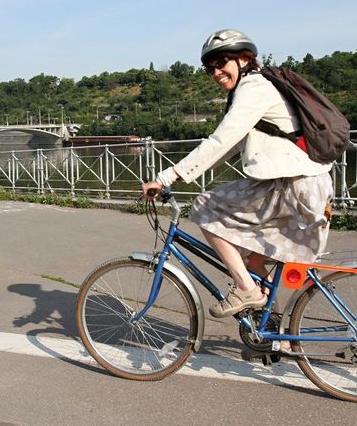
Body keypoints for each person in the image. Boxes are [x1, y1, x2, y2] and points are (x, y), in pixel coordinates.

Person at [141, 28, 333, 318]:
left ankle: (245, 289)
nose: (216, 73)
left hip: (290, 185)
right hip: (305, 185)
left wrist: (166, 178)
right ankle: (273, 335)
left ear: (244, 59)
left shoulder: (254, 88)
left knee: (205, 207)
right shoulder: (257, 88)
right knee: (253, 263)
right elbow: (229, 147)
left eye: (222, 63)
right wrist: (182, 174)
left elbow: (221, 141)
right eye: (210, 69)